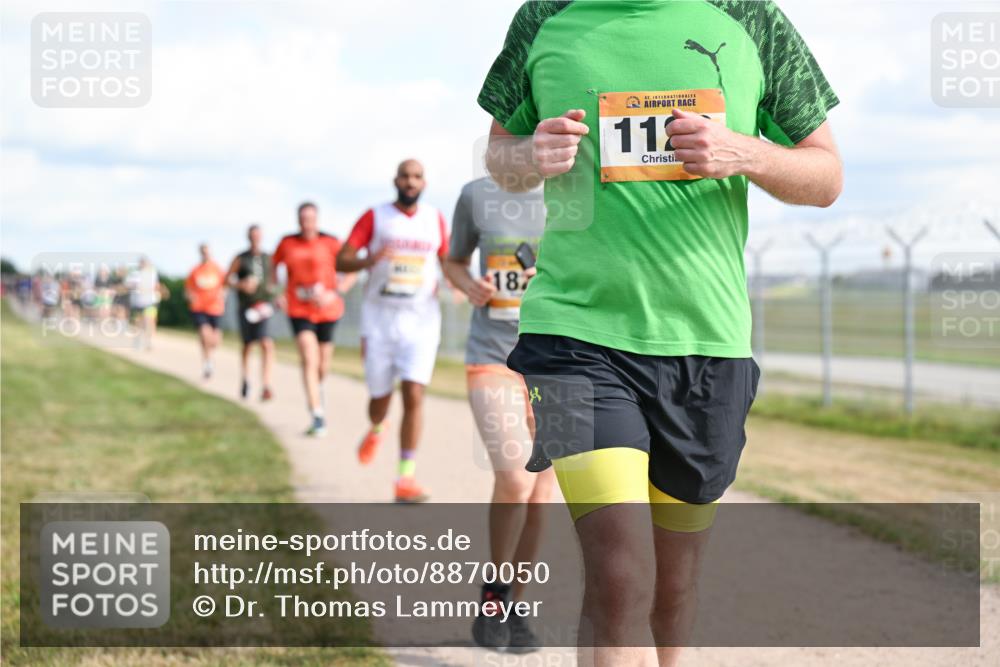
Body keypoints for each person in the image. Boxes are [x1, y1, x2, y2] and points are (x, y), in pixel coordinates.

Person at [479, 1, 843, 664]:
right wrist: (529, 153)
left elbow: (826, 176)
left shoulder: (750, 17)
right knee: (619, 576)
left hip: (708, 346)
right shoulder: (545, 15)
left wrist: (745, 151)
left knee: (673, 589)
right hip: (568, 338)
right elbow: (498, 156)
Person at [443, 175, 554, 652]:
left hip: (558, 362)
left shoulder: (577, 191)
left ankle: (510, 606)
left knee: (542, 497)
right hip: (493, 355)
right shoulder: (476, 195)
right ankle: (494, 591)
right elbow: (452, 261)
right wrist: (470, 285)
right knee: (515, 476)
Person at [337, 159, 449, 504]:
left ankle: (405, 478)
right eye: (405, 176)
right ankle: (377, 427)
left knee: (414, 393)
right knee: (379, 400)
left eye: (416, 176)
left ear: (424, 182)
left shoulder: (435, 219)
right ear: (395, 180)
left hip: (421, 320)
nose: (410, 182)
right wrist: (369, 260)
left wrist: (465, 287)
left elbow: (450, 262)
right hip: (380, 320)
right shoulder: (375, 217)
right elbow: (341, 259)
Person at [273, 202, 355, 436]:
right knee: (309, 357)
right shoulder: (287, 243)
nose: (306, 223)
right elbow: (273, 268)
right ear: (297, 220)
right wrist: (277, 293)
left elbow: (351, 266)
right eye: (302, 218)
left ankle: (318, 389)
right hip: (299, 309)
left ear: (317, 220)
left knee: (322, 365)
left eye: (310, 218)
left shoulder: (330, 242)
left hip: (328, 310)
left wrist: (337, 290)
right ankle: (317, 413)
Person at [227, 224, 277, 401]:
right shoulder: (241, 258)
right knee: (248, 345)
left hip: (263, 307)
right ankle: (246, 378)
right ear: (248, 237)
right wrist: (242, 285)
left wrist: (276, 294)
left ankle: (266, 384)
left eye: (258, 236)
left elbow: (275, 281)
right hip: (246, 308)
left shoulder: (268, 258)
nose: (255, 239)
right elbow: (227, 280)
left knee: (266, 343)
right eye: (252, 236)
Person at [185, 244, 227, 379]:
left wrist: (223, 295)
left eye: (207, 252)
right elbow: (188, 289)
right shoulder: (195, 271)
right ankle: (207, 363)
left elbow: (225, 286)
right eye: (203, 252)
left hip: (215, 308)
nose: (205, 254)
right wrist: (190, 296)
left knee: (215, 341)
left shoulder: (218, 269)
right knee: (204, 334)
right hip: (199, 308)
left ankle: (209, 357)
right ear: (200, 253)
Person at [127, 257, 163, 351]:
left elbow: (157, 286)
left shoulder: (153, 273)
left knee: (149, 322)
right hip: (138, 302)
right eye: (142, 263)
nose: (143, 264)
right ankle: (137, 339)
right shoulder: (134, 274)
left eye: (145, 263)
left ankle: (148, 342)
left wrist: (158, 293)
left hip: (150, 302)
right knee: (138, 322)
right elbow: (129, 285)